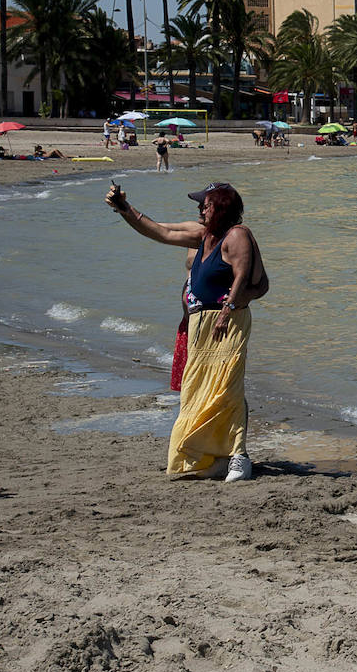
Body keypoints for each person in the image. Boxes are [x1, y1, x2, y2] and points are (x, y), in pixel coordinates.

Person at [104, 181, 267, 482]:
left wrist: (228, 308)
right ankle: (212, 456)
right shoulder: (202, 234)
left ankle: (238, 455)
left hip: (224, 325)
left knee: (226, 389)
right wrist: (125, 209)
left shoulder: (237, 235)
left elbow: (250, 279)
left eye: (205, 203)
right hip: (196, 327)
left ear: (220, 206)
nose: (199, 207)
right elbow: (160, 231)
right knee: (196, 391)